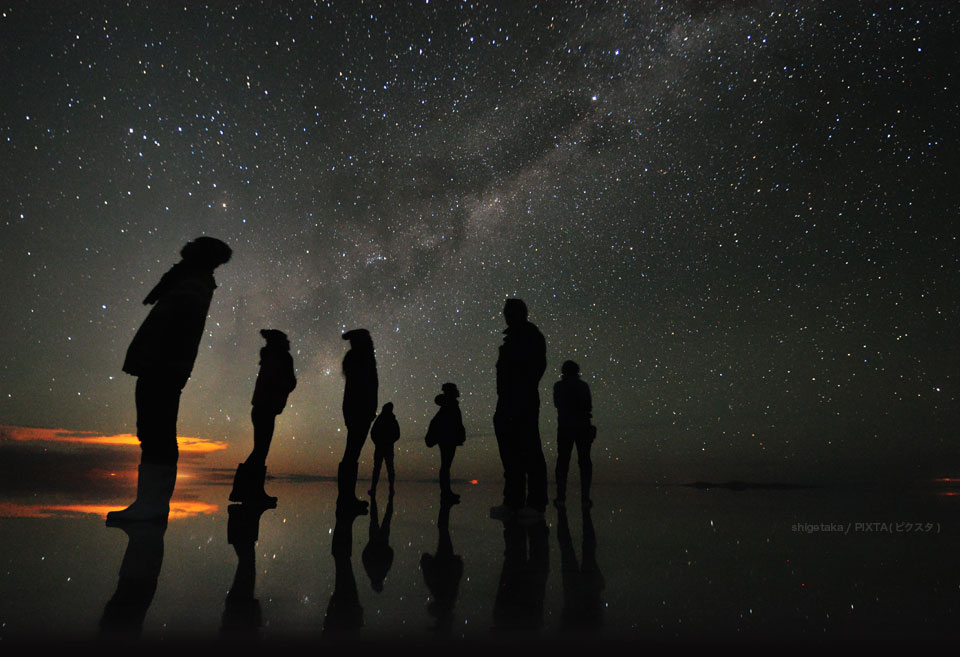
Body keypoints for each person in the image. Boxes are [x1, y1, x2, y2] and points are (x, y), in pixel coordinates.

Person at [107, 236, 231, 523]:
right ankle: (150, 504)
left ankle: (152, 506)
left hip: (163, 366)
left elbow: (178, 329)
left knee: (156, 432)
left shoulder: (192, 284)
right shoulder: (189, 281)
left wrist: (163, 363)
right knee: (153, 432)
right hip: (163, 365)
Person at [490, 298, 547, 520]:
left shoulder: (530, 336)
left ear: (521, 313)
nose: (507, 315)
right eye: (506, 311)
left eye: (511, 311)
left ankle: (536, 504)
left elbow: (536, 367)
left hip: (522, 401)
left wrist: (521, 391)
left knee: (529, 451)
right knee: (510, 454)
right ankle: (513, 502)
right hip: (505, 402)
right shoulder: (510, 339)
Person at [229, 329, 297, 506]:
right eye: (286, 340)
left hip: (262, 408)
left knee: (260, 450)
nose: (289, 343)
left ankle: (248, 490)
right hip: (266, 408)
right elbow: (287, 382)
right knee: (261, 450)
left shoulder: (270, 357)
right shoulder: (280, 357)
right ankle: (247, 491)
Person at [338, 328, 377, 515]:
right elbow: (366, 386)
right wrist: (368, 408)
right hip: (359, 410)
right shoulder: (362, 358)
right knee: (352, 453)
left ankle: (346, 497)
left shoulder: (355, 357)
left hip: (356, 409)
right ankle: (346, 499)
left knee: (351, 453)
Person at [552, 360, 594, 508]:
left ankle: (561, 497)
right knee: (584, 462)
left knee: (563, 462)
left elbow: (558, 404)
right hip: (582, 426)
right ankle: (585, 498)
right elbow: (588, 406)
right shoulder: (583, 386)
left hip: (565, 427)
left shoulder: (559, 386)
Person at [425, 383, 466, 504]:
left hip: (448, 439)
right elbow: (450, 423)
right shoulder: (450, 405)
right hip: (448, 439)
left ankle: (446, 492)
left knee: (446, 466)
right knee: (445, 466)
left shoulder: (449, 405)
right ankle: (445, 493)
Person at [368, 402, 399, 497]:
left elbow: (397, 434)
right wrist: (379, 442)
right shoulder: (386, 420)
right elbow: (373, 433)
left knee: (383, 469)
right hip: (383, 447)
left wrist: (384, 442)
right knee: (384, 469)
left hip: (384, 447)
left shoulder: (388, 420)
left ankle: (388, 488)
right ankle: (379, 488)